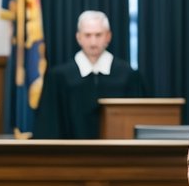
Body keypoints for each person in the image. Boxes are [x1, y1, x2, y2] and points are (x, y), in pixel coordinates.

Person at [34, 10, 146, 139]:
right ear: (78, 37)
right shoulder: (59, 78)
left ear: (108, 36)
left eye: (98, 35)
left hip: (118, 156)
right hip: (71, 156)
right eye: (88, 35)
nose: (93, 42)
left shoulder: (128, 76)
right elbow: (48, 127)